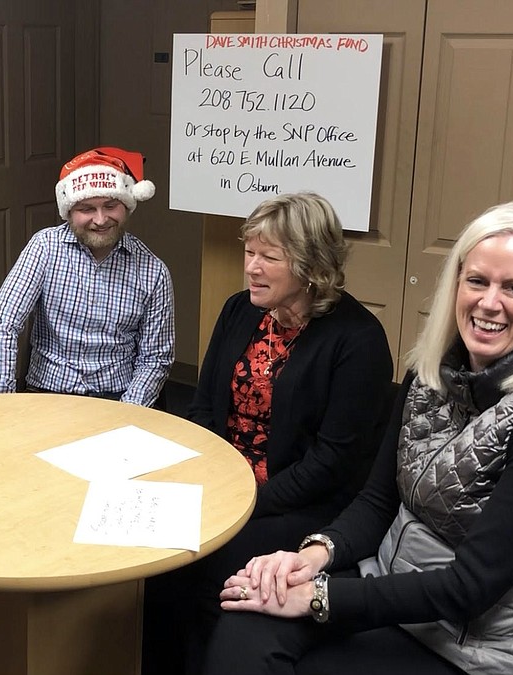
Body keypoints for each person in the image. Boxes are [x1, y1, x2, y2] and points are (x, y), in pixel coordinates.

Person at [205, 202, 513, 675]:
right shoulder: (429, 376)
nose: (489, 303)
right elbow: (378, 501)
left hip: (479, 647)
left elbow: (469, 587)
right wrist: (313, 556)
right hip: (396, 595)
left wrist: (319, 595)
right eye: (477, 281)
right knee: (246, 615)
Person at [144, 192, 393, 674]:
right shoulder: (241, 310)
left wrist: (240, 502)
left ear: (311, 265)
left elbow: (330, 465)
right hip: (223, 484)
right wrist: (200, 478)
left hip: (297, 501)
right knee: (155, 556)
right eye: (249, 252)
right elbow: (203, 408)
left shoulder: (358, 341)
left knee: (203, 565)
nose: (251, 268)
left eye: (269, 257)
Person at [0, 146, 175, 407]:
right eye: (87, 208)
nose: (101, 219)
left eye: (110, 205)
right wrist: (2, 406)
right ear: (69, 211)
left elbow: (155, 358)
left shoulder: (154, 271)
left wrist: (129, 416)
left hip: (117, 399)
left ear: (126, 206)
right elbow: (2, 327)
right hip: (47, 394)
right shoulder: (45, 248)